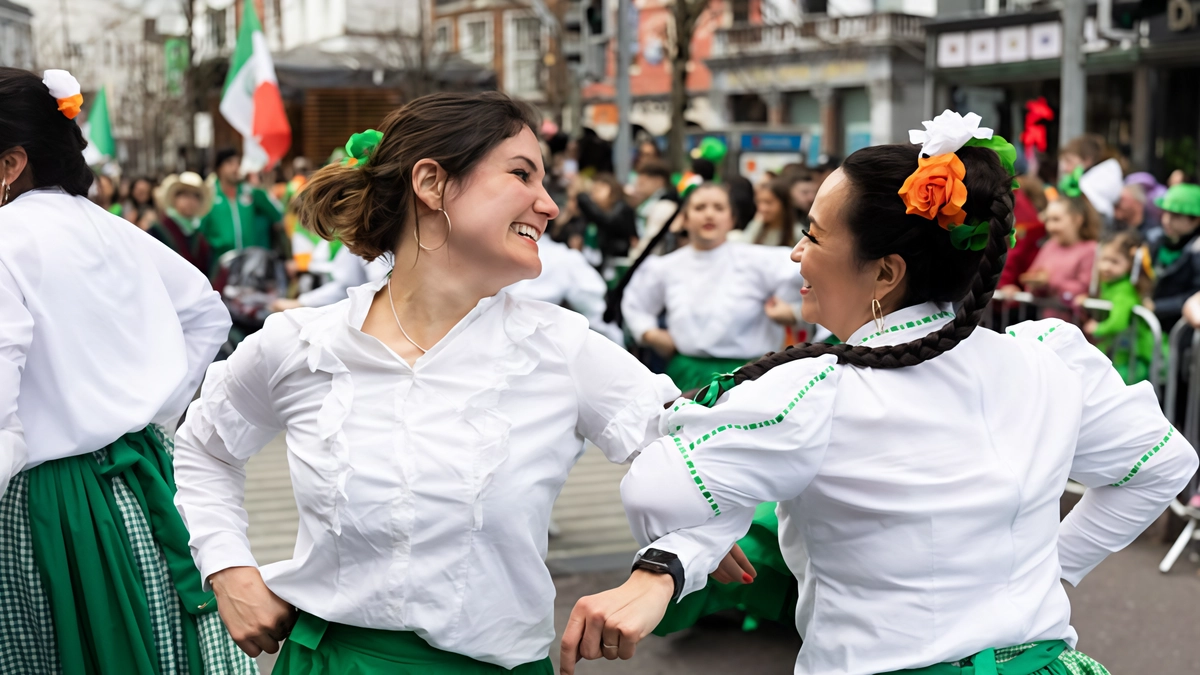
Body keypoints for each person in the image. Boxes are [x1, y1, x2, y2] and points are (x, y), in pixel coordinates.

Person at [562, 112, 1196, 675]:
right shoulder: (1049, 360)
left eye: (811, 234)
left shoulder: (817, 389)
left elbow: (656, 484)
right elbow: (1164, 464)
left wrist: (693, 542)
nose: (793, 254)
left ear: (886, 272)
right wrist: (1051, 568)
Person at [170, 91, 746, 674]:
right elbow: (203, 449)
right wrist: (227, 568)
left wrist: (665, 567)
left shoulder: (560, 349)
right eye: (521, 173)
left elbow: (712, 458)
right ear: (431, 182)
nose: (548, 204)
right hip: (329, 662)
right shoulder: (298, 344)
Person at [0, 67, 253, 674]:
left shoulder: (5, 238)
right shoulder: (110, 228)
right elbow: (205, 312)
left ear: (10, 163)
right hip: (142, 480)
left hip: (48, 505)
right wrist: (149, 411)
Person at [1078, 230, 1155, 384]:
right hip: (1117, 350)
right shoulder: (1109, 284)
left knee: (1117, 387)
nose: (1106, 266)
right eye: (1104, 259)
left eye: (1115, 262)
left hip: (1133, 355)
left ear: (1130, 265)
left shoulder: (1125, 289)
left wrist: (1099, 327)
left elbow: (1119, 321)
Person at [200, 147, 283, 269]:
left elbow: (276, 215)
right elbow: (201, 232)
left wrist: (259, 189)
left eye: (237, 163)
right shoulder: (210, 196)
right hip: (220, 266)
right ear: (219, 168)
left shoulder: (250, 193)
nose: (235, 168)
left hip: (251, 265)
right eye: (229, 163)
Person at [1020, 195, 1099, 319]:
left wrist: (1049, 282)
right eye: (1048, 220)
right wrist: (1035, 284)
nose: (1050, 227)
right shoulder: (1050, 246)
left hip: (1075, 325)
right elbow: (1031, 281)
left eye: (1056, 220)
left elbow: (1085, 289)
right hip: (1047, 322)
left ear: (1077, 220)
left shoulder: (1090, 249)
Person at [1147, 183, 1200, 331]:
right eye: (1165, 212)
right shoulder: (1157, 242)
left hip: (1182, 332)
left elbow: (1195, 295)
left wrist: (1157, 307)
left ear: (1196, 220)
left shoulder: (1196, 251)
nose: (1166, 220)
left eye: (1176, 215)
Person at [152, 171, 214, 274]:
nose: (190, 201)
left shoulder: (200, 238)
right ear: (175, 198)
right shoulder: (158, 231)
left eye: (196, 196)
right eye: (185, 195)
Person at [997, 174, 1049, 295]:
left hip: (1016, 289)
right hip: (1021, 289)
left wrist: (1004, 284)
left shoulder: (1028, 222)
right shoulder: (1034, 224)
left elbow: (1014, 255)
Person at [575, 172, 637, 270]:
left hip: (618, 260)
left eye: (598, 189)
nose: (594, 194)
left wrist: (583, 197)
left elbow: (607, 221)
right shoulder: (593, 212)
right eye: (593, 191)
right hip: (595, 259)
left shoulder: (622, 208)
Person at [628, 160, 679, 259]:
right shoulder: (647, 204)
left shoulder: (664, 206)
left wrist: (634, 255)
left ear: (658, 181)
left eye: (642, 183)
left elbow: (650, 242)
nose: (637, 187)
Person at [731, 177, 799, 248]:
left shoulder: (796, 233)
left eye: (768, 202)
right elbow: (744, 246)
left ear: (784, 204)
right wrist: (757, 224)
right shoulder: (757, 225)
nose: (762, 208)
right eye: (759, 202)